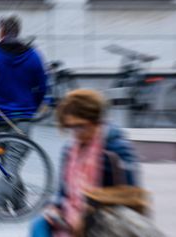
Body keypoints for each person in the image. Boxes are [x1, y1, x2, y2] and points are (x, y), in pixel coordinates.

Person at [29, 89, 138, 237]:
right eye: (71, 127)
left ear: (96, 121)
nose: (76, 133)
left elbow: (131, 195)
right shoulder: (69, 149)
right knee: (39, 224)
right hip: (70, 219)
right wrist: (54, 207)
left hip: (105, 222)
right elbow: (63, 191)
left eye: (80, 126)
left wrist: (90, 212)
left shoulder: (115, 148)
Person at [0, 14, 47, 212]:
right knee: (12, 162)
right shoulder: (33, 56)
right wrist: (34, 106)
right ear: (18, 31)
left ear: (2, 32)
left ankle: (4, 201)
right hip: (23, 118)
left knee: (9, 162)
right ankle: (15, 203)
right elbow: (42, 86)